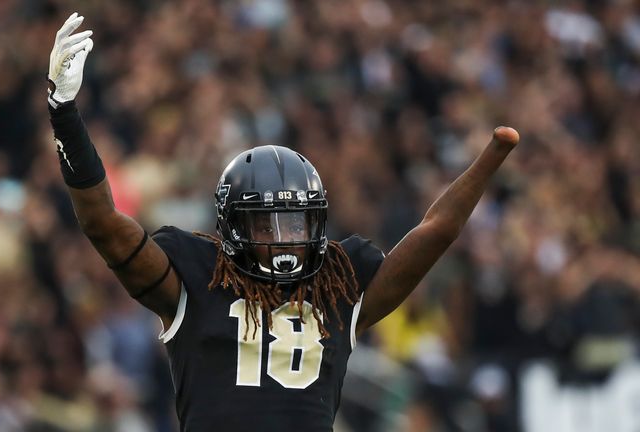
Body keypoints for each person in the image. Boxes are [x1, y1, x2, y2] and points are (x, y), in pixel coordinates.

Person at [46, 13, 519, 431]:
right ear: (232, 227)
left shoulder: (339, 282)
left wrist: (492, 155)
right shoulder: (197, 275)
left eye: (296, 222)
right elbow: (104, 224)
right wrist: (64, 114)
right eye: (266, 225)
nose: (284, 238)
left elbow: (434, 232)